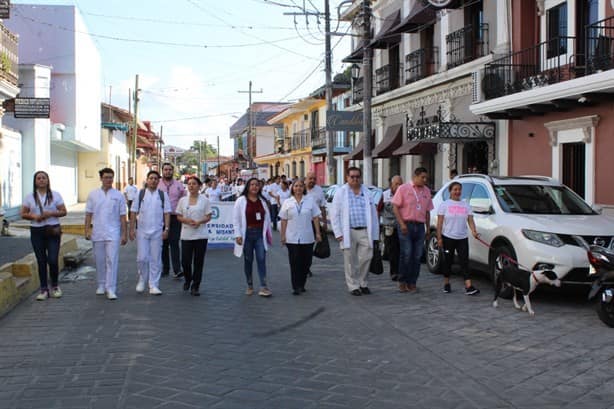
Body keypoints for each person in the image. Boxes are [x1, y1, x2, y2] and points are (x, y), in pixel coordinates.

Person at [331, 167, 379, 296]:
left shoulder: (367, 192)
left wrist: (375, 233)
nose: (355, 179)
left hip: (364, 231)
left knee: (366, 258)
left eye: (357, 176)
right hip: (348, 231)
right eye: (352, 176)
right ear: (347, 177)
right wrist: (338, 233)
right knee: (350, 261)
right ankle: (353, 286)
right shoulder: (341, 192)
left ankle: (363, 283)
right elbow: (334, 214)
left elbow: (373, 214)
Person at [20, 171, 67, 300]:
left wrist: (51, 214)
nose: (41, 180)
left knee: (52, 259)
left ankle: (55, 286)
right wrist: (34, 216)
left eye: (43, 178)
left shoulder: (55, 195)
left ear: (48, 180)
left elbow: (64, 211)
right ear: (35, 181)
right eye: (38, 178)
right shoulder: (29, 197)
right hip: (36, 231)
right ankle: (44, 289)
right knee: (41, 260)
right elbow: (23, 213)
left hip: (52, 230)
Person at [85, 168, 128, 300]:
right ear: (101, 178)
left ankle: (111, 288)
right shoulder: (93, 194)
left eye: (111, 177)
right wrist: (87, 229)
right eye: (106, 177)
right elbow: (88, 214)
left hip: (113, 232)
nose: (109, 180)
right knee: (99, 260)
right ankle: (101, 284)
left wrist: (124, 234)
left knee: (112, 260)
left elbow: (123, 216)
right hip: (98, 232)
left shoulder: (118, 195)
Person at [392, 167, 434, 293]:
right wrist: (402, 224)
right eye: (422, 177)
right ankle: (402, 281)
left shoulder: (426, 191)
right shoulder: (403, 188)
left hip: (420, 226)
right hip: (406, 225)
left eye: (426, 178)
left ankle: (412, 282)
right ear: (415, 177)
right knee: (407, 253)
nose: (425, 180)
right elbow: (395, 207)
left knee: (417, 256)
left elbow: (427, 211)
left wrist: (427, 228)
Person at [129, 170, 171, 296]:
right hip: (142, 231)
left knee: (156, 259)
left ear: (158, 181)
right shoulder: (140, 194)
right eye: (151, 178)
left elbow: (167, 212)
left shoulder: (163, 195)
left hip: (157, 231)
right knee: (142, 258)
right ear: (147, 180)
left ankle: (154, 285)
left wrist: (166, 229)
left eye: (155, 178)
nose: (153, 180)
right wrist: (131, 229)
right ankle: (142, 279)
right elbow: (133, 212)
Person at [436, 182, 480, 295]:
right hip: (448, 238)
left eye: (459, 189)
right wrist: (439, 238)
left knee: (464, 262)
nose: (457, 192)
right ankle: (446, 283)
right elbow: (440, 223)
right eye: (455, 189)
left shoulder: (465, 205)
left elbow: (470, 220)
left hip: (462, 238)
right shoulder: (444, 205)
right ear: (450, 191)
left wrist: (474, 231)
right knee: (448, 261)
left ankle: (468, 286)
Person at [279, 178, 322, 295]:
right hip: (292, 237)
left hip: (307, 237)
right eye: (296, 186)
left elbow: (315, 217)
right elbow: (283, 220)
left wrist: (318, 233)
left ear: (304, 188)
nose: (298, 188)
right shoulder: (287, 202)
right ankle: (296, 286)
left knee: (306, 262)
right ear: (292, 188)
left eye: (300, 186)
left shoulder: (310, 201)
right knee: (294, 262)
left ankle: (302, 283)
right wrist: (282, 236)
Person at [233, 177, 273, 297]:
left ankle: (263, 286)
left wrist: (268, 234)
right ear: (248, 187)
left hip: (260, 234)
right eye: (252, 185)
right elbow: (236, 219)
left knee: (261, 259)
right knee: (248, 260)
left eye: (257, 185)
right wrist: (238, 235)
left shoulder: (263, 201)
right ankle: (250, 285)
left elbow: (267, 219)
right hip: (247, 234)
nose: (255, 187)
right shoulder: (241, 201)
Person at [176, 176, 212, 296]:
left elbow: (208, 216)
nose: (191, 186)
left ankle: (195, 285)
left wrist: (199, 222)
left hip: (201, 235)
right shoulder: (182, 200)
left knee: (198, 261)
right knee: (185, 261)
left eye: (194, 184)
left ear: (199, 186)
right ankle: (188, 279)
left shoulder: (204, 200)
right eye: (189, 184)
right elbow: (178, 216)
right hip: (186, 234)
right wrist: (186, 220)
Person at [158, 162, 186, 278]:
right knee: (163, 244)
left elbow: (184, 199)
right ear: (162, 171)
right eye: (165, 170)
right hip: (160, 217)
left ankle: (177, 269)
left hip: (175, 217)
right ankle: (165, 269)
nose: (167, 172)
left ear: (173, 171)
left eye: (170, 170)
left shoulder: (179, 185)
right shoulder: (157, 184)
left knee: (174, 242)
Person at [306, 170, 328, 277]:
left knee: (310, 246)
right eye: (310, 178)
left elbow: (323, 206)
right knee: (303, 247)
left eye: (314, 179)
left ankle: (307, 266)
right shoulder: (299, 188)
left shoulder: (319, 190)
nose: (312, 181)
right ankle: (303, 266)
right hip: (302, 223)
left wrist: (324, 222)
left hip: (314, 222)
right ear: (306, 179)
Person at [381, 175, 403, 281]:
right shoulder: (385, 195)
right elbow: (378, 209)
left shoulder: (405, 195)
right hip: (389, 226)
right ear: (391, 185)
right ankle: (394, 272)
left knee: (401, 250)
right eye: (396, 184)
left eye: (400, 184)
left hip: (402, 226)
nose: (399, 186)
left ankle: (401, 271)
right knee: (392, 250)